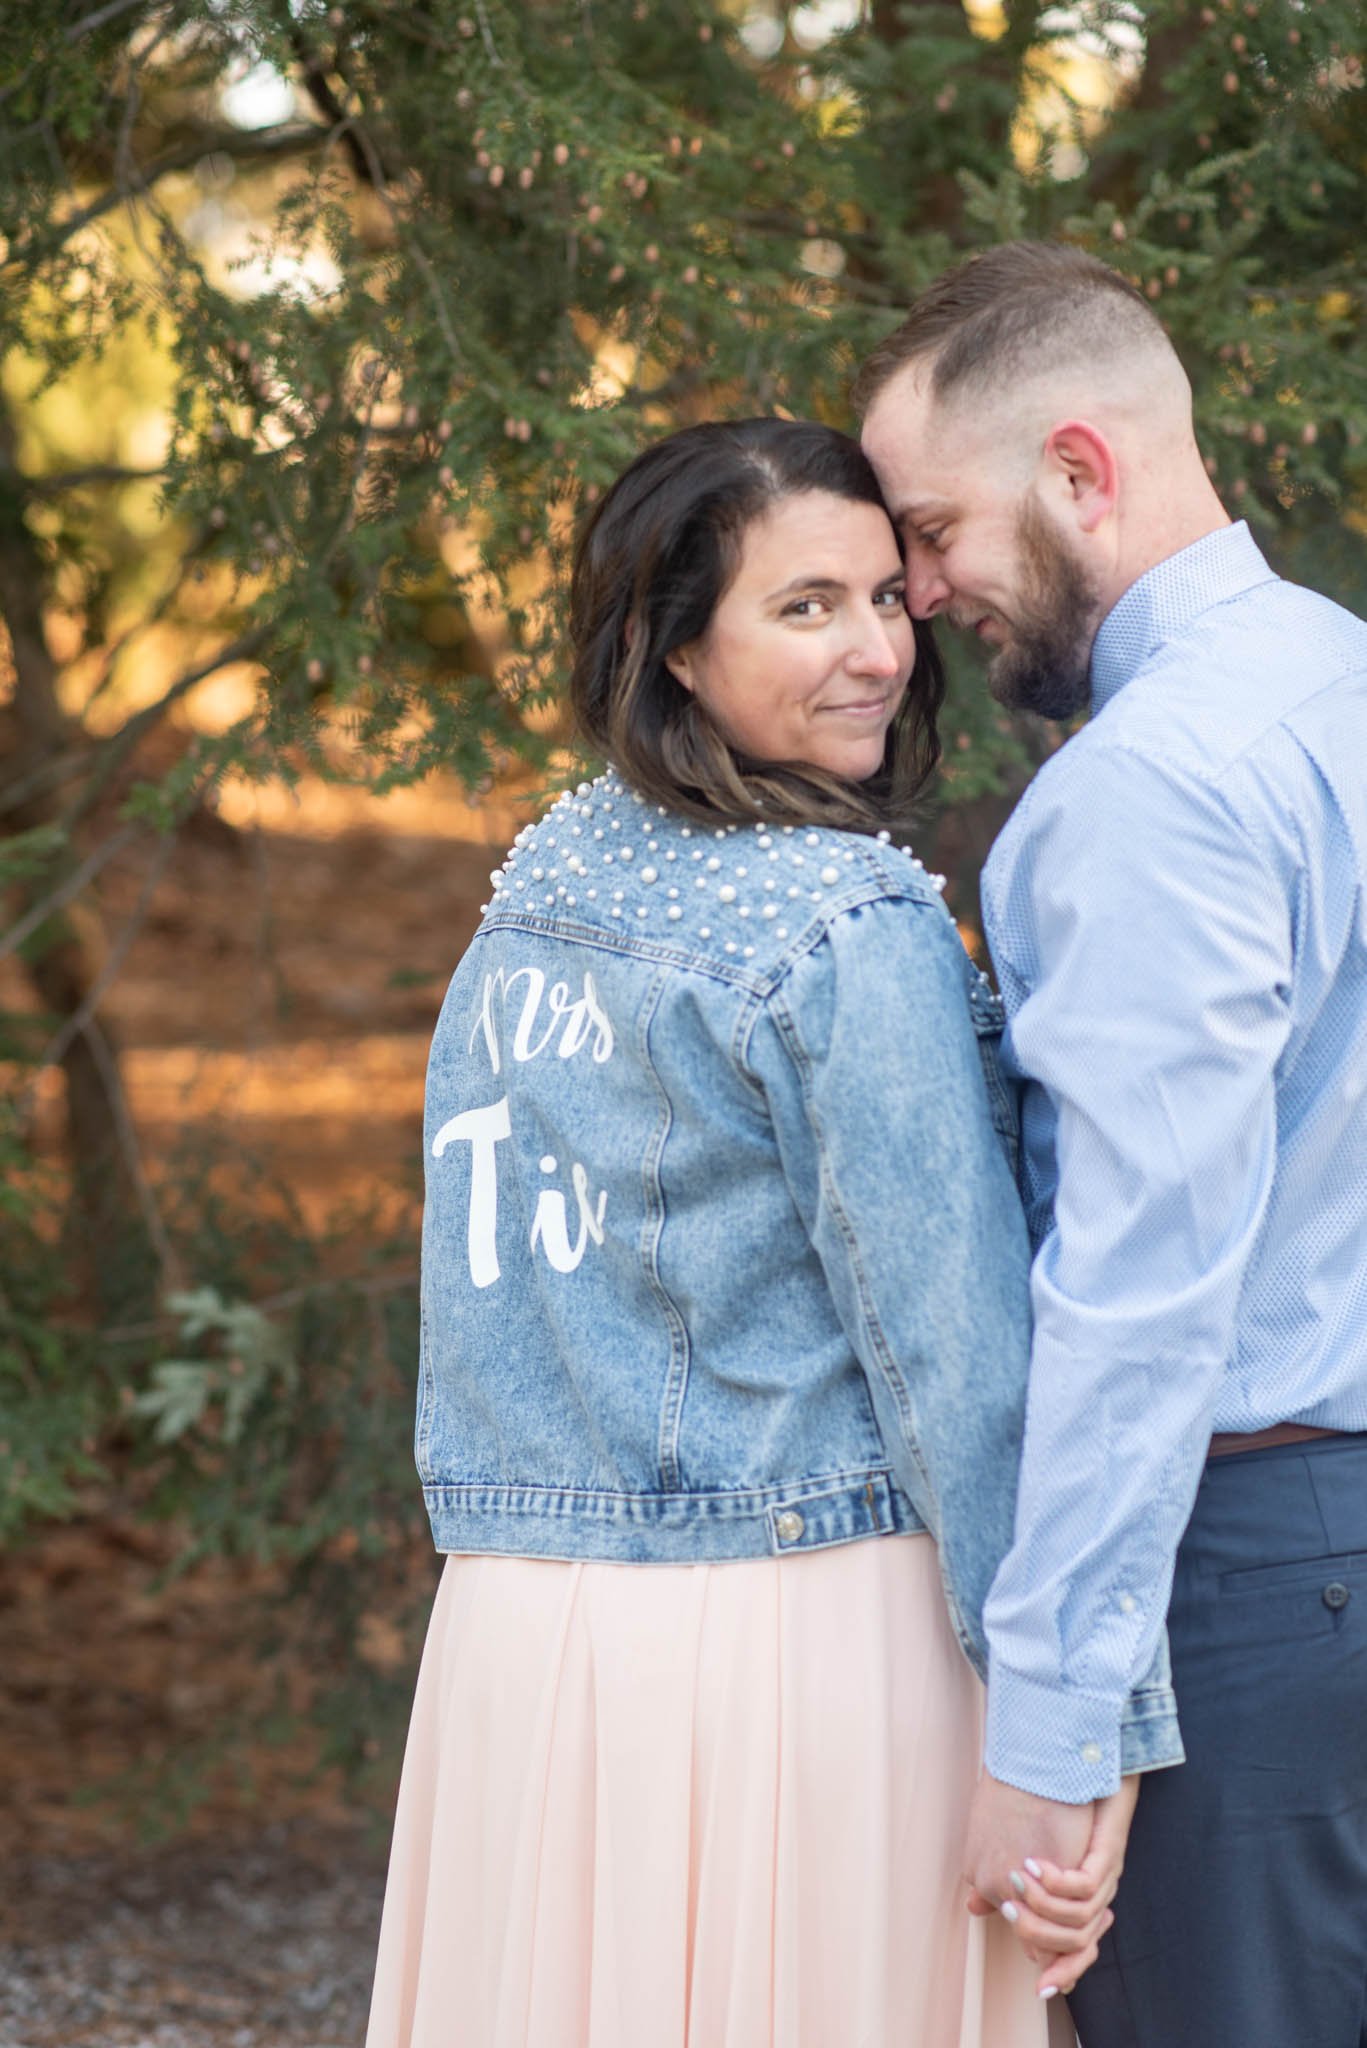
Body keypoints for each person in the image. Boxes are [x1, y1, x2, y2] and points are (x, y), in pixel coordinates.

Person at [363, 416, 1139, 2048]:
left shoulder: (542, 880)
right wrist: (1075, 1725)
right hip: (799, 1636)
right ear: (673, 646)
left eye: (882, 597)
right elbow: (961, 1365)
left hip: (527, 1640)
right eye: (804, 609)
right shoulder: (841, 925)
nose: (874, 651)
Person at [857, 240, 1367, 2047]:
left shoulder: (1148, 788)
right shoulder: (1338, 678)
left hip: (1253, 1581)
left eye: (932, 531)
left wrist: (1055, 1735)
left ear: (1079, 472)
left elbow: (1142, 1288)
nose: (914, 595)